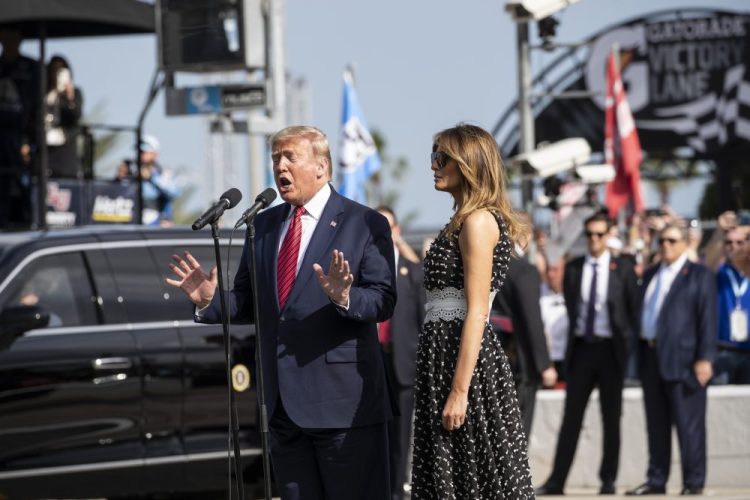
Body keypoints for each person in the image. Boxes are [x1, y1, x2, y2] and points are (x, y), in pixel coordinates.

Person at [166, 125, 397, 500]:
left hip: (343, 406)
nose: (280, 166)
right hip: (281, 408)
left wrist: (345, 296)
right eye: (276, 158)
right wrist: (210, 299)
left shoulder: (362, 222)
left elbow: (384, 300)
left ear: (321, 167)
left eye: (291, 157)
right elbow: (248, 300)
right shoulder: (264, 224)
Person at [411, 123, 534, 499]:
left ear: (468, 164)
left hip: (466, 370)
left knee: (477, 479)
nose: (433, 165)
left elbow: (477, 311)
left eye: (441, 157)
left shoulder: (478, 222)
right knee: (454, 479)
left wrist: (459, 391)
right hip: (443, 362)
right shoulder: (460, 221)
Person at [536, 212, 639, 496]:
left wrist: (625, 348)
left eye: (599, 234)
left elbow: (633, 312)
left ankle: (608, 480)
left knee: (611, 419)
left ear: (609, 235)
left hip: (610, 351)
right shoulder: (575, 269)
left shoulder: (623, 268)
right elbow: (572, 306)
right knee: (571, 418)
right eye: (589, 235)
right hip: (582, 349)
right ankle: (557, 481)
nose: (593, 240)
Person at [627, 225, 716, 496]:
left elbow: (708, 319)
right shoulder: (652, 273)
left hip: (685, 360)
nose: (665, 244)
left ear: (683, 243)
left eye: (671, 240)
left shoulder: (698, 274)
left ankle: (693, 481)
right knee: (656, 424)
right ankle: (657, 479)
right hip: (651, 356)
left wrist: (705, 358)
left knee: (689, 425)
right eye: (662, 240)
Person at [375, 205, 425, 500]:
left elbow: (422, 323)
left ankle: (396, 492)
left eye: (386, 227)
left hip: (402, 367)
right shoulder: (356, 271)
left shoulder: (413, 273)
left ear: (396, 232)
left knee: (401, 438)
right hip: (370, 365)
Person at [493, 222, 557, 436]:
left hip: (489, 356)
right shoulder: (523, 270)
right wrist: (544, 364)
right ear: (525, 236)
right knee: (517, 432)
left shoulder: (487, 266)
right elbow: (532, 319)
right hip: (518, 360)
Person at [0, 25, 37, 229]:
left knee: (21, 184)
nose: (9, 40)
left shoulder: (30, 67)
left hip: (21, 137)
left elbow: (37, 107)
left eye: (13, 35)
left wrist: (29, 141)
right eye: (5, 35)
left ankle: (24, 218)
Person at [713, 225, 750, 384]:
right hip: (723, 350)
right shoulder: (719, 270)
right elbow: (708, 259)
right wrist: (719, 232)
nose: (734, 246)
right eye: (729, 242)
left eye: (739, 242)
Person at [45, 55, 83, 178]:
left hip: (65, 159)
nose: (57, 74)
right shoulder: (44, 94)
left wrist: (69, 97)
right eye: (54, 70)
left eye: (61, 71)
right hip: (45, 156)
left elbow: (75, 116)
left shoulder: (75, 94)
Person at [139, 135, 180, 226]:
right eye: (139, 152)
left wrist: (151, 178)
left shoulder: (163, 173)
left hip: (157, 222)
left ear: (155, 154)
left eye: (144, 152)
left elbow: (174, 192)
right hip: (134, 220)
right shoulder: (132, 172)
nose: (141, 154)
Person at [540, 254, 568, 381]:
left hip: (568, 360)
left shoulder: (574, 294)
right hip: (545, 362)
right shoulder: (538, 293)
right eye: (548, 270)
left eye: (555, 270)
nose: (551, 275)